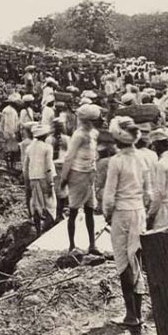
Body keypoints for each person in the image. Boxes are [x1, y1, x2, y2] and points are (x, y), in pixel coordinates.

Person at [102, 118, 152, 329]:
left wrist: (107, 214)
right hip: (139, 211)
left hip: (122, 213)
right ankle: (137, 312)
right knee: (136, 260)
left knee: (124, 262)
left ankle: (131, 314)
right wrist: (144, 209)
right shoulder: (143, 159)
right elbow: (149, 193)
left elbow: (109, 196)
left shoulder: (117, 161)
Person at [60, 103, 101, 255]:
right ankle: (72, 245)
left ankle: (92, 244)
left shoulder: (93, 134)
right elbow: (69, 157)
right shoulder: (79, 135)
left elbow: (93, 153)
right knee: (74, 210)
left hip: (89, 174)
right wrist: (64, 178)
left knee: (90, 209)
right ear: (87, 121)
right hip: (77, 174)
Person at [23, 122, 57, 236]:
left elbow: (26, 167)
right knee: (50, 204)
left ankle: (38, 230)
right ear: (45, 135)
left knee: (36, 204)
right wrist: (51, 182)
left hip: (33, 178)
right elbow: (48, 166)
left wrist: (27, 182)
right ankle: (47, 230)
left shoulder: (29, 148)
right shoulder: (47, 148)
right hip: (44, 178)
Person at [147, 127, 168, 229]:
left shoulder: (161, 164)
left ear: (158, 145)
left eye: (155, 145)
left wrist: (151, 214)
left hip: (165, 209)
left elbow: (159, 193)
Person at [0, 97, 21, 171]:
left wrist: (1, 130)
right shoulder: (14, 111)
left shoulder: (4, 110)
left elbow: (2, 122)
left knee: (7, 149)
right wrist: (17, 131)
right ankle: (12, 166)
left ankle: (8, 165)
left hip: (6, 131)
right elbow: (16, 122)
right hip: (13, 132)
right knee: (13, 150)